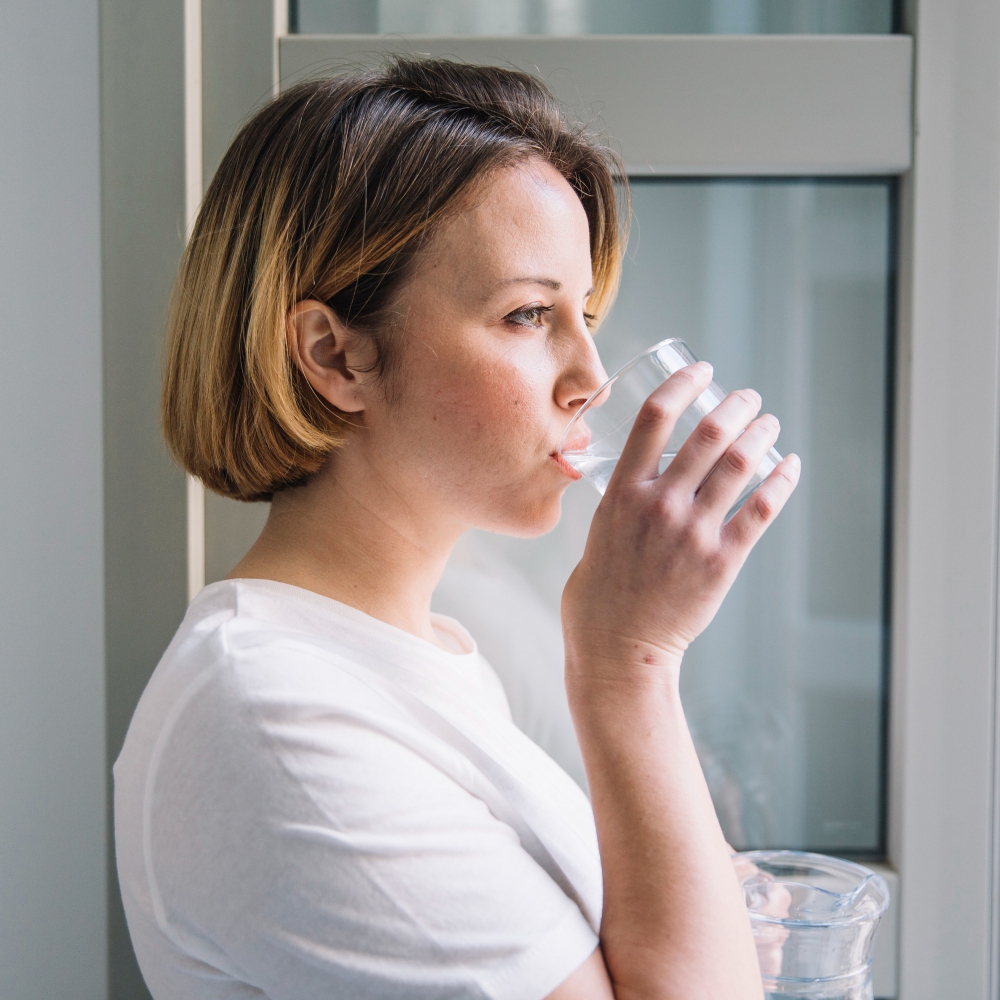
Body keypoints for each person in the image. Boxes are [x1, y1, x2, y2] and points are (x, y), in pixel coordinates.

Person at [114, 57, 800, 1000]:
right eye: (527, 314)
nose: (590, 378)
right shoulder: (272, 717)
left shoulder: (430, 657)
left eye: (585, 314)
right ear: (337, 356)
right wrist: (629, 663)